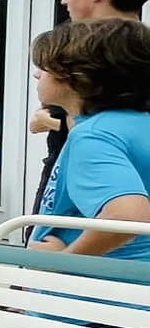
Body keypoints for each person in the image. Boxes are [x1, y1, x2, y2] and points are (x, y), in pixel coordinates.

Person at [31, 0, 148, 208]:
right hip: (67, 163)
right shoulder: (75, 44)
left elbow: (127, 214)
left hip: (106, 178)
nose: (64, 1)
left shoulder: (132, 55)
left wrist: (59, 124)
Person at [30, 18, 150, 260]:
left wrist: (65, 262)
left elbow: (129, 216)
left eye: (44, 67)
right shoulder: (138, 122)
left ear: (79, 77)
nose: (36, 74)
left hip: (100, 289)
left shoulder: (93, 136)